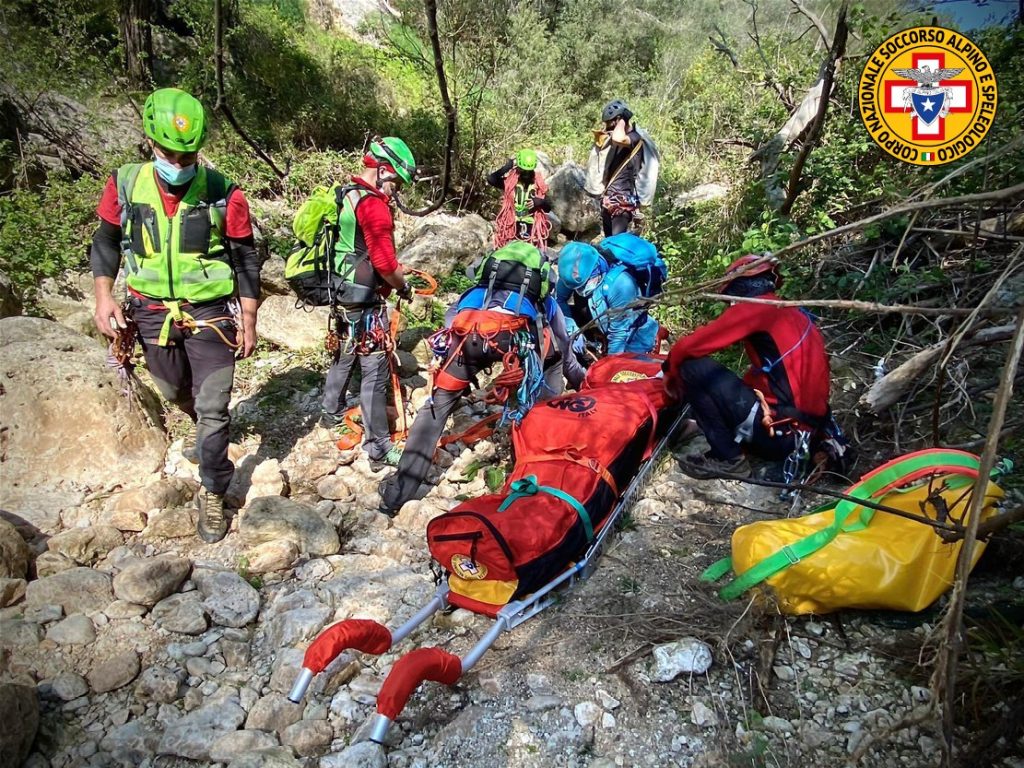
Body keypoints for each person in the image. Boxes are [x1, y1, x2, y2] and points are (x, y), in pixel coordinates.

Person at [90, 87, 261, 543]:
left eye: (188, 155)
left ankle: (214, 485)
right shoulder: (125, 183)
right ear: (151, 142)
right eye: (171, 153)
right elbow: (106, 241)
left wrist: (248, 318)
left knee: (213, 405)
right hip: (149, 312)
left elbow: (245, 257)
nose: (180, 164)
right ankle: (205, 430)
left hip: (210, 316)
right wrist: (104, 295)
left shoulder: (224, 193)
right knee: (171, 390)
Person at [378, 241, 581, 516]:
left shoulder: (474, 293)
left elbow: (451, 324)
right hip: (517, 342)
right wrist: (580, 380)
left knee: (436, 409)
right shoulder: (542, 300)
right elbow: (564, 344)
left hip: (470, 337)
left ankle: (395, 496)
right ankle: (540, 464)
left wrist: (456, 366)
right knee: (552, 361)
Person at [662, 255, 831, 479]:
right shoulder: (794, 313)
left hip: (780, 436)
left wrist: (670, 373)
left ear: (739, 287)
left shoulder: (755, 308)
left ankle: (729, 458)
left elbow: (688, 348)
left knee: (692, 368)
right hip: (807, 433)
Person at [315, 138, 417, 468]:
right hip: (365, 298)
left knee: (344, 352)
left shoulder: (346, 193)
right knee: (373, 372)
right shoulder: (373, 205)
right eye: (396, 183)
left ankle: (330, 410)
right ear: (383, 170)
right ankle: (379, 447)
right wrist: (404, 288)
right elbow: (386, 264)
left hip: (342, 290)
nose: (395, 191)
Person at [555, 238, 660, 357]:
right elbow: (560, 299)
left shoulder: (621, 284)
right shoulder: (572, 274)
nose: (580, 291)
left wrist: (611, 365)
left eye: (583, 286)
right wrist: (571, 328)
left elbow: (618, 333)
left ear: (597, 270)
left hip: (631, 334)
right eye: (577, 288)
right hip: (598, 319)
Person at [487, 149, 552, 249]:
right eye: (523, 170)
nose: (526, 174)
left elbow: (548, 208)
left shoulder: (538, 185)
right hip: (511, 223)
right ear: (518, 168)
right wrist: (506, 168)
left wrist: (539, 202)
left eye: (528, 171)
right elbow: (491, 179)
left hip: (531, 224)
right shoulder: (510, 182)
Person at [597, 99, 644, 236]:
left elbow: (618, 138)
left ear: (618, 120)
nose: (607, 128)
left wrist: (622, 119)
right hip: (608, 199)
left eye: (610, 124)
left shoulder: (634, 137)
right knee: (608, 243)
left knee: (616, 245)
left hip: (623, 202)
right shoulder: (617, 137)